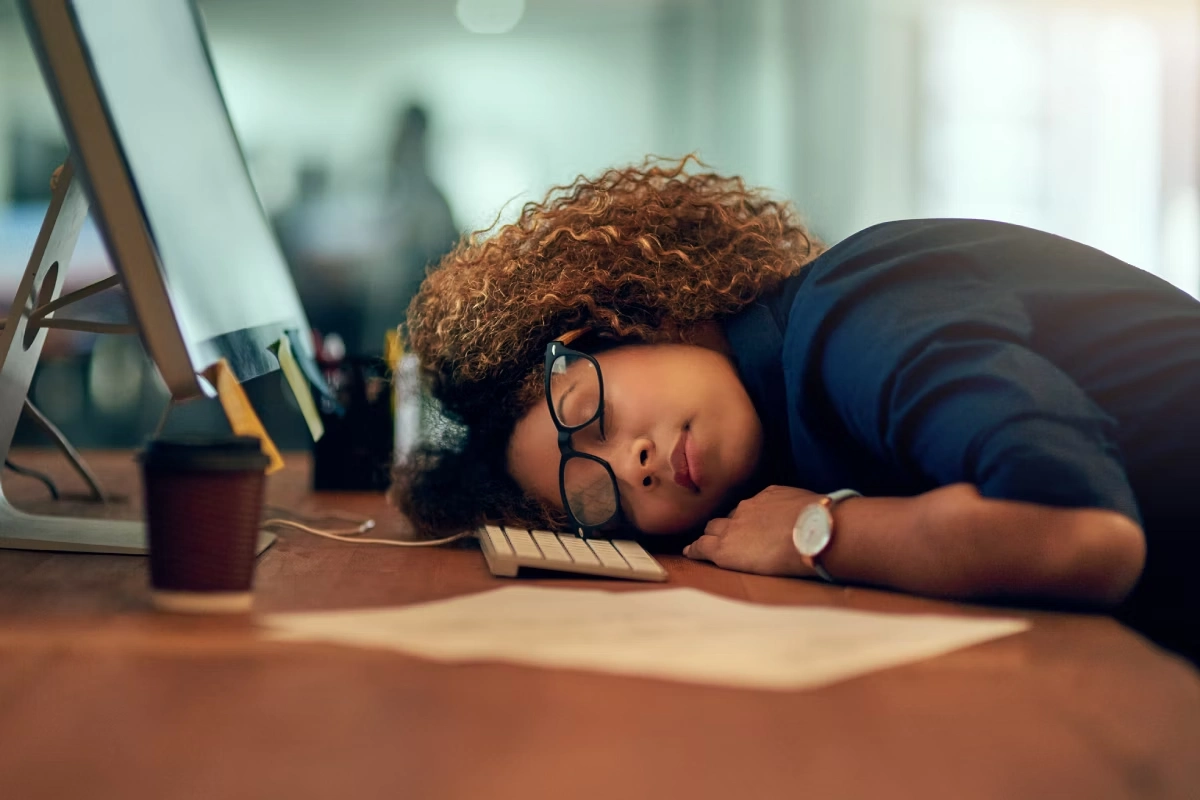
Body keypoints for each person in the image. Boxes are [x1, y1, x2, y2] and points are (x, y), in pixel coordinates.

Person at [392, 156, 1200, 661]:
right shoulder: (786, 421)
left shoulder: (850, 316)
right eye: (592, 493)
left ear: (613, 324)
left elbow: (1085, 536)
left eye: (586, 411)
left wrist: (823, 532)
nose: (629, 466)